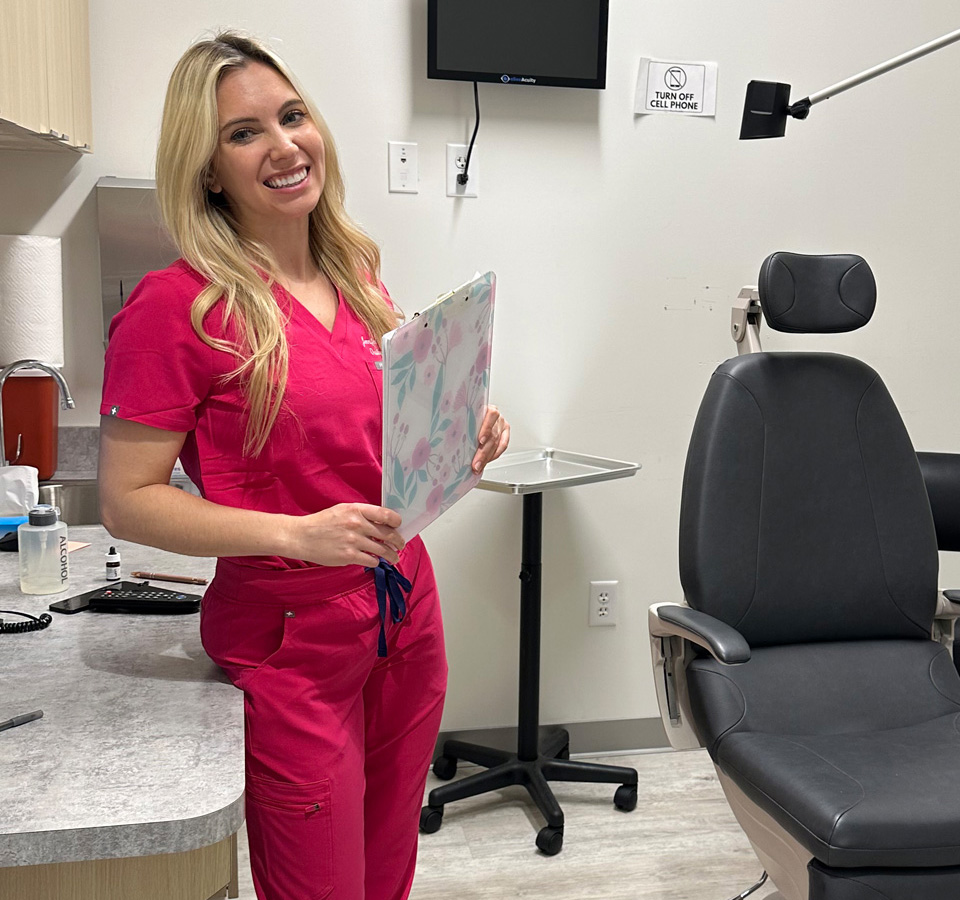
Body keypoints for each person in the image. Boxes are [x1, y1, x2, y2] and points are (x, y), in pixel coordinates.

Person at [98, 30, 509, 900]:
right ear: (206, 169)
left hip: (405, 613)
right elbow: (129, 504)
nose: (284, 146)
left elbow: (370, 439)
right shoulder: (176, 308)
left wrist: (458, 433)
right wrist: (295, 533)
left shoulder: (356, 270)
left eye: (292, 117)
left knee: (387, 869)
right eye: (244, 133)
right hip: (294, 640)